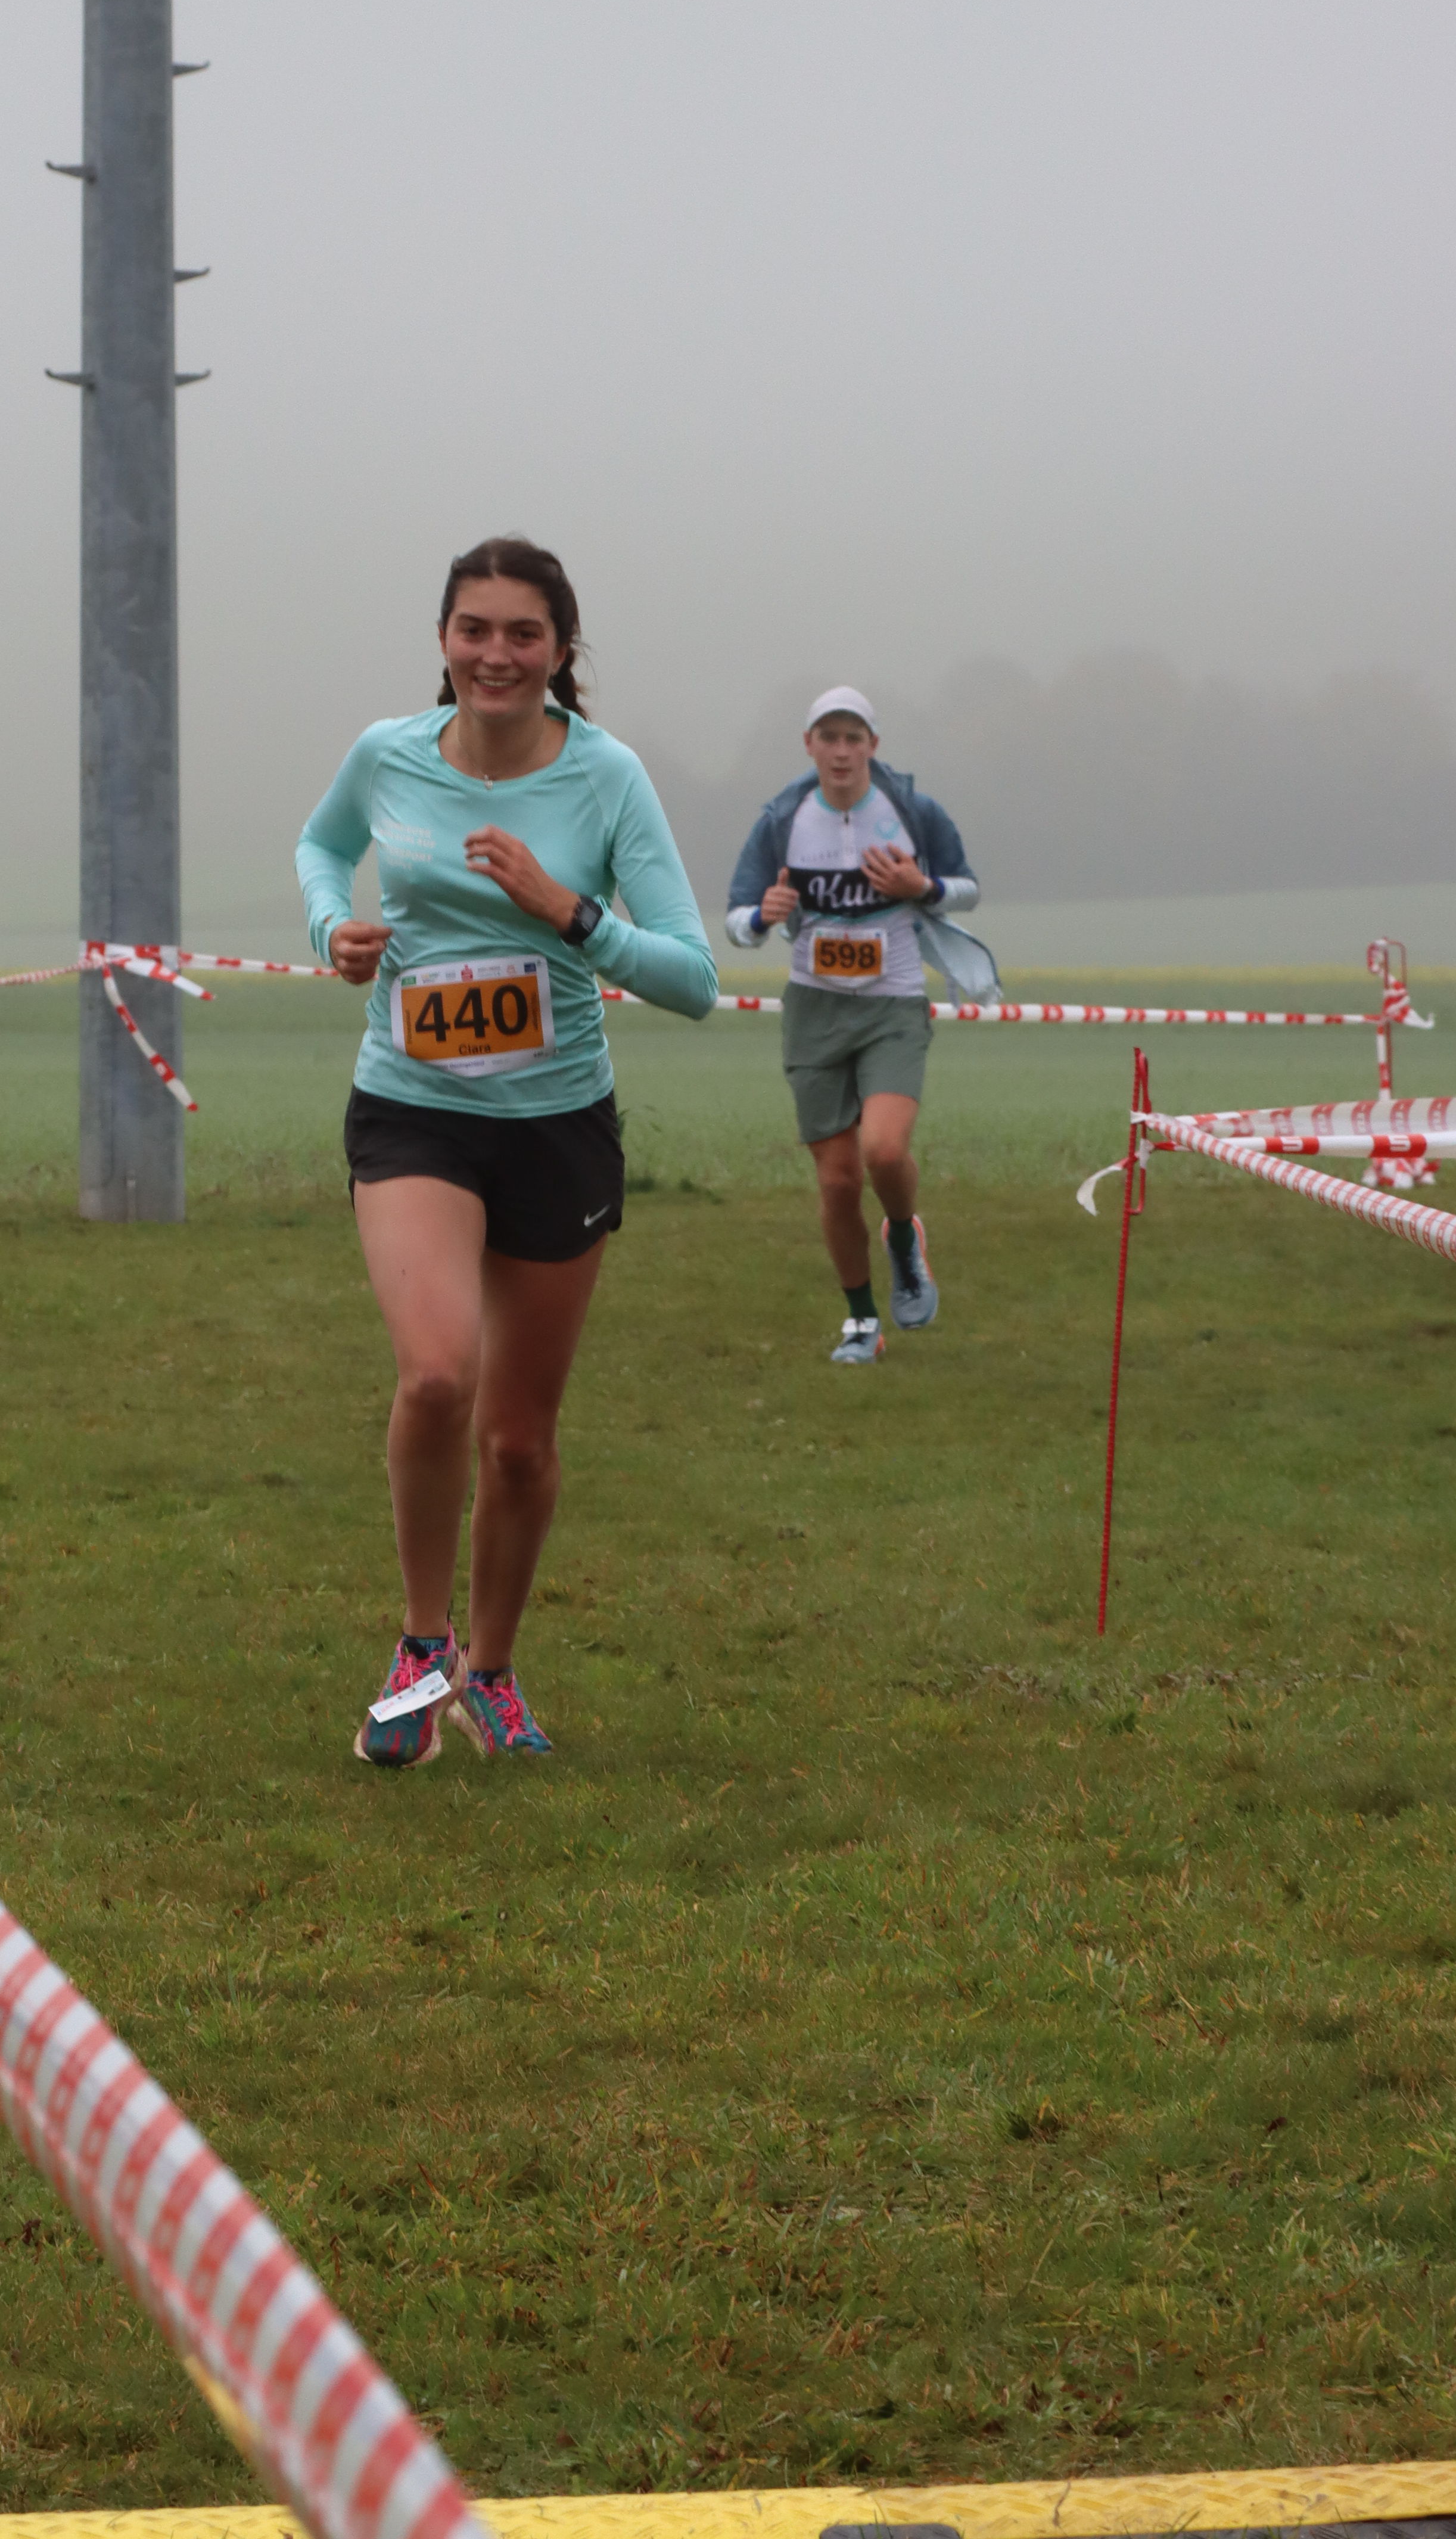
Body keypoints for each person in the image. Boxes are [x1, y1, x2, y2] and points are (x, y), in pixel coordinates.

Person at [296, 537, 717, 1769]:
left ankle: (490, 1670)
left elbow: (693, 977)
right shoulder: (387, 755)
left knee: (520, 1441)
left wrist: (568, 913)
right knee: (437, 1375)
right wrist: (331, 928)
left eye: (522, 633)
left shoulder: (606, 779)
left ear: (560, 650)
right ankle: (421, 1650)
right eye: (474, 629)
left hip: (556, 1123)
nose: (496, 654)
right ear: (443, 640)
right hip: (414, 1106)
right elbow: (322, 848)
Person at [724, 688, 984, 1367]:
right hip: (814, 1011)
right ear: (809, 745)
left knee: (885, 1152)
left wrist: (920, 889)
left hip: (892, 1005)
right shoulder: (783, 819)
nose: (841, 752)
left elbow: (968, 887)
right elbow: (736, 918)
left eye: (853, 738)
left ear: (873, 745)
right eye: (829, 738)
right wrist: (762, 917)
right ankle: (862, 1322)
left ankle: (902, 1234)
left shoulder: (911, 811)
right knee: (838, 1183)